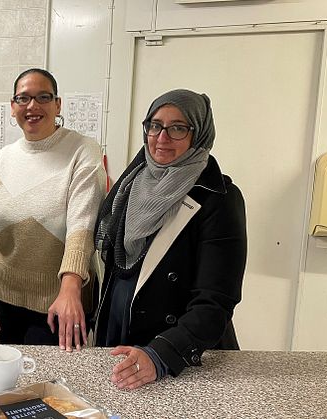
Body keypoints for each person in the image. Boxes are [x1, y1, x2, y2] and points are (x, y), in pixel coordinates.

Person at [93, 89, 247, 389]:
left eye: (177, 128)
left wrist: (162, 354)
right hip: (119, 331)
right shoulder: (132, 183)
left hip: (178, 352)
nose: (161, 137)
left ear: (198, 133)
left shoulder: (220, 199)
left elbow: (216, 301)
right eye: (155, 125)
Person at [0, 68, 106, 352]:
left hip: (58, 303)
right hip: (5, 298)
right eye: (23, 98)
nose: (32, 106)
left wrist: (71, 288)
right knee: (12, 387)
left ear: (58, 104)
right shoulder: (4, 157)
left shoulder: (82, 150)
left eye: (43, 97)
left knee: (54, 390)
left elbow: (82, 228)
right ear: (13, 107)